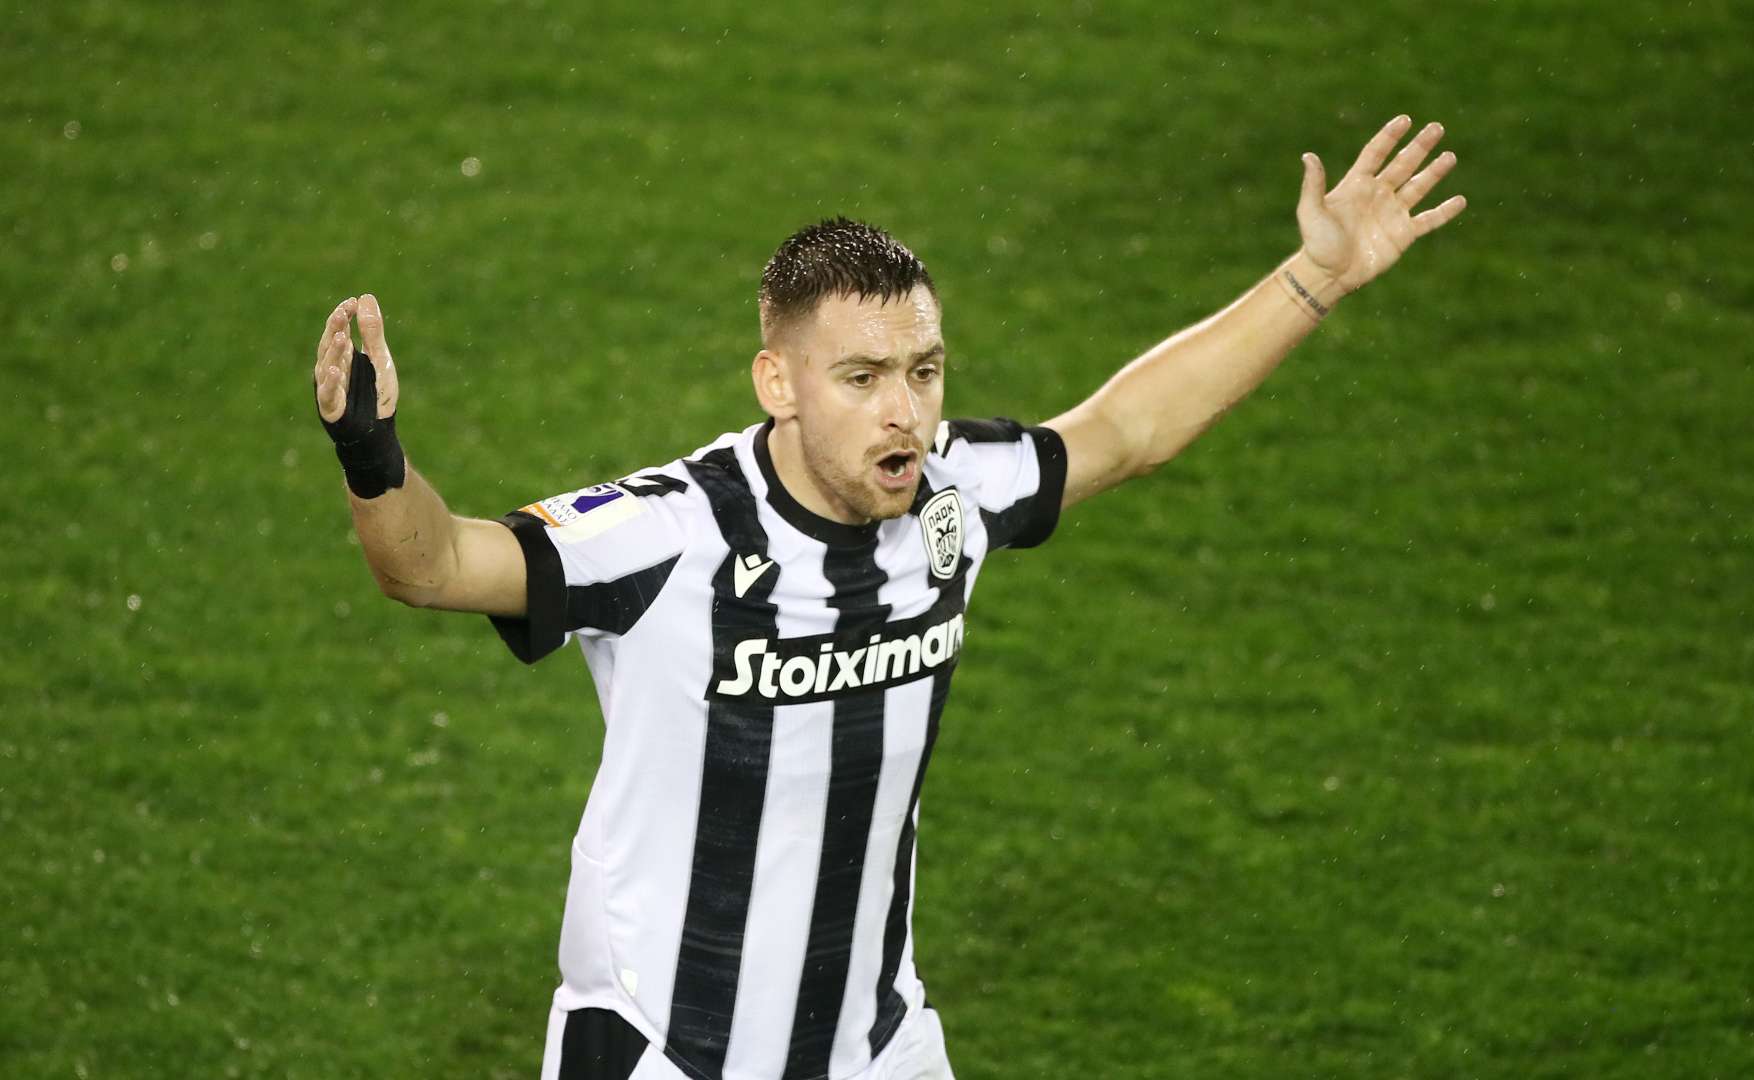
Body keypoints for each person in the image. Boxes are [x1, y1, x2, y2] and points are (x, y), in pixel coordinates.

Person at [311, 115, 1464, 1080]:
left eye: (923, 371)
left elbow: (1125, 430)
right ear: (778, 382)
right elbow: (433, 566)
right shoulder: (670, 534)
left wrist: (1314, 277)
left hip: (877, 1048)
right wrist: (372, 453)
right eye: (860, 378)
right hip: (668, 1053)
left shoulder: (954, 493)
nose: (903, 411)